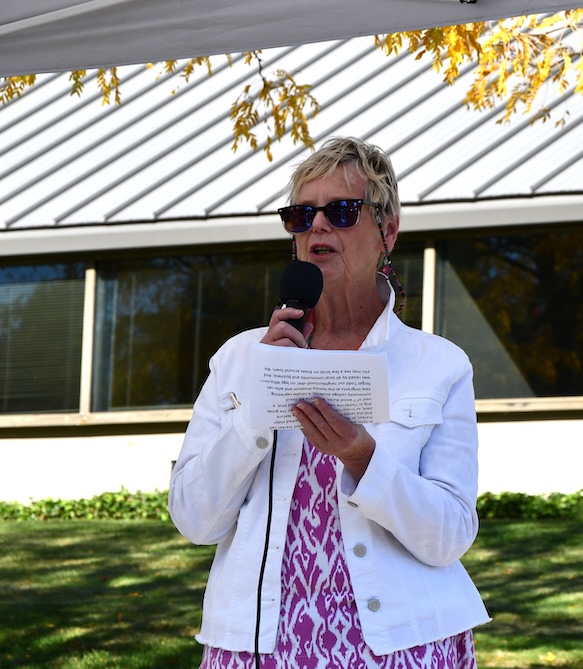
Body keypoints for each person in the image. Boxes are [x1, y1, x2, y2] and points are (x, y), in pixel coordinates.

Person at [169, 136, 491, 668]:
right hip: (257, 647)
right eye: (301, 214)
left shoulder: (440, 364)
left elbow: (450, 536)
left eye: (341, 211)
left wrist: (364, 458)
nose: (317, 226)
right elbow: (195, 521)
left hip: (401, 645)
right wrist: (257, 396)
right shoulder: (239, 358)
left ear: (387, 232)